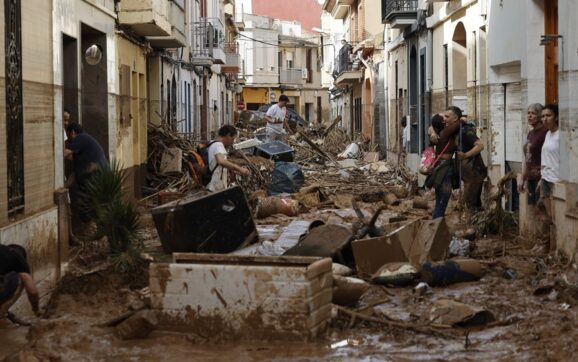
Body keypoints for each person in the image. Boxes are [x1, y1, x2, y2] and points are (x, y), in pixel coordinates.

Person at [430, 106, 463, 219]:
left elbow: (432, 125)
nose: (445, 119)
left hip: (440, 166)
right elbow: (460, 122)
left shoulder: (440, 132)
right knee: (442, 200)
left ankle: (436, 225)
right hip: (444, 168)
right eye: (443, 117)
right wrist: (462, 119)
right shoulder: (446, 131)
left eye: (446, 116)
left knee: (441, 199)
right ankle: (435, 227)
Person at [0, 244, 40, 326]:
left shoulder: (3, 251)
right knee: (22, 279)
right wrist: (36, 310)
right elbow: (32, 292)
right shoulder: (19, 259)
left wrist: (13, 318)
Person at [539, 103, 560, 250]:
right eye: (543, 116)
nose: (545, 119)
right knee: (545, 213)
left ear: (556, 117)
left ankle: (556, 247)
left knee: (555, 216)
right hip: (546, 178)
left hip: (556, 180)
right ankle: (549, 245)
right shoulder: (548, 134)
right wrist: (541, 177)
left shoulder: (562, 134)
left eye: (548, 116)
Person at [518, 103, 547, 208]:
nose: (529, 116)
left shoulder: (545, 132)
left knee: (541, 210)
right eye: (528, 113)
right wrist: (522, 178)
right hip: (530, 178)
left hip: (540, 178)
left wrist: (542, 178)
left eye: (533, 113)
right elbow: (527, 158)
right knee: (532, 210)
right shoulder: (530, 133)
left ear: (540, 116)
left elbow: (547, 157)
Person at [206, 125, 251, 192]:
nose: (232, 142)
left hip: (210, 185)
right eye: (232, 139)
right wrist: (240, 169)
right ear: (228, 135)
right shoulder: (219, 145)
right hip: (214, 188)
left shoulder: (211, 143)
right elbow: (221, 161)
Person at [64, 123, 109, 190]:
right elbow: (75, 175)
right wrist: (64, 187)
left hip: (97, 182)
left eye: (68, 136)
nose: (68, 140)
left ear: (73, 132)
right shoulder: (81, 152)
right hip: (98, 182)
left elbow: (65, 153)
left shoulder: (81, 137)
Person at [456, 119, 487, 212]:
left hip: (474, 167)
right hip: (468, 169)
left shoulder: (465, 131)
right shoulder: (454, 132)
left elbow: (480, 146)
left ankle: (472, 212)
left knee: (472, 194)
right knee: (470, 192)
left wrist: (466, 155)